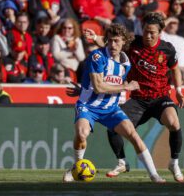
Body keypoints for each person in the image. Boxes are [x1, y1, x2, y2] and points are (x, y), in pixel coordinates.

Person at [85, 12, 184, 182]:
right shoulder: (134, 43)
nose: (148, 35)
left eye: (152, 32)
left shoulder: (167, 49)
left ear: (159, 32)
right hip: (138, 99)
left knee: (174, 122)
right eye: (146, 31)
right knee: (113, 127)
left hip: (160, 97)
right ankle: (122, 162)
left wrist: (179, 90)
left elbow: (175, 68)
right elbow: (112, 44)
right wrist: (95, 38)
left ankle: (173, 163)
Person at [62, 23, 166, 183]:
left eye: (116, 41)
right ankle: (77, 166)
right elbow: (98, 87)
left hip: (110, 108)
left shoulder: (126, 63)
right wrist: (126, 86)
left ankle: (154, 175)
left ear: (124, 41)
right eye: (110, 41)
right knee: (82, 134)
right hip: (88, 106)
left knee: (134, 136)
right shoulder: (98, 57)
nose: (112, 45)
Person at [161, 16, 184, 84]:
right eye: (170, 23)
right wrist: (169, 19)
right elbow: (158, 29)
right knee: (180, 75)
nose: (172, 25)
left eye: (175, 23)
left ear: (178, 26)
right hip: (170, 67)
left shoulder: (182, 39)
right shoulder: (163, 36)